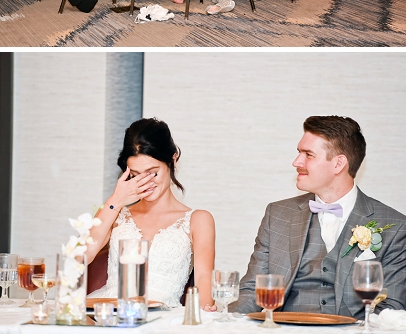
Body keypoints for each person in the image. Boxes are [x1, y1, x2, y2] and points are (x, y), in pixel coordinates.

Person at [235, 116, 406, 316]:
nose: (296, 162)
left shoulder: (395, 226)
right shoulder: (278, 214)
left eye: (308, 154)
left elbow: (392, 309)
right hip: (284, 333)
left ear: (338, 164)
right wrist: (223, 322)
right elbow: (252, 291)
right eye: (299, 152)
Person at [87, 119, 216, 310]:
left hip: (163, 318)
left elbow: (204, 279)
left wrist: (205, 317)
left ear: (173, 160)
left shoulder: (199, 220)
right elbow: (80, 257)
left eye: (152, 172)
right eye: (136, 174)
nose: (145, 182)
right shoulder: (115, 213)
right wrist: (116, 199)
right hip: (108, 313)